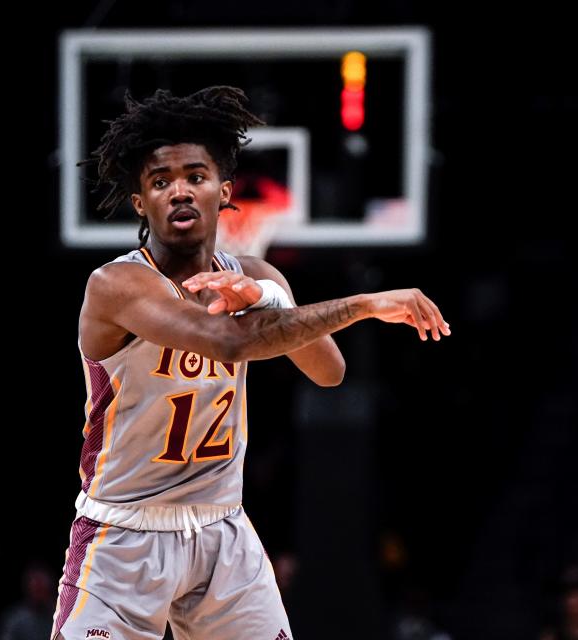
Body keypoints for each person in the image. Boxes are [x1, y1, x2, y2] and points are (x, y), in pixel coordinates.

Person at [51, 86, 450, 640]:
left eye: (196, 176)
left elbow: (327, 371)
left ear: (225, 191)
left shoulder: (257, 274)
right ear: (140, 204)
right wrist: (364, 304)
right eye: (160, 182)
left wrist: (271, 301)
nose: (180, 191)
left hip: (222, 529)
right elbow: (228, 343)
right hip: (124, 536)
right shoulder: (118, 285)